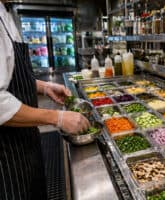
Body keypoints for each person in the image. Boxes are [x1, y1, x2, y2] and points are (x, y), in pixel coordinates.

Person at [0, 1, 90, 199]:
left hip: (26, 138)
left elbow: (11, 78)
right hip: (6, 153)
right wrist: (57, 117)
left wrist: (44, 86)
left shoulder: (6, 13)